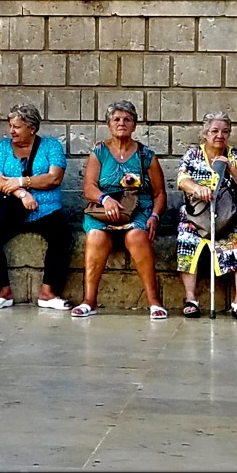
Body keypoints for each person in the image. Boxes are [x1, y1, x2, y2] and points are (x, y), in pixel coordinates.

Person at [71, 100, 168, 320]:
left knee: (136, 236)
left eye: (127, 120)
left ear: (134, 125)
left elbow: (159, 193)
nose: (122, 123)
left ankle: (154, 301)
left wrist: (155, 215)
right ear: (109, 124)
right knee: (95, 236)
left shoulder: (146, 156)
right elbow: (89, 187)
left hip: (138, 209)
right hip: (103, 210)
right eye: (116, 119)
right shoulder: (99, 152)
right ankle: (89, 300)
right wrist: (105, 199)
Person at [0, 103, 73, 310]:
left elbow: (54, 178)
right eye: (10, 126)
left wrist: (21, 182)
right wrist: (22, 194)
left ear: (32, 127)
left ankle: (48, 292)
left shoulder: (51, 146)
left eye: (17, 127)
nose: (11, 131)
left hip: (46, 209)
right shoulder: (2, 148)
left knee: (62, 236)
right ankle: (3, 290)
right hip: (11, 209)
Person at [176, 112, 237, 319]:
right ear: (205, 133)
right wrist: (197, 188)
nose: (219, 135)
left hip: (234, 217)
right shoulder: (193, 155)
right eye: (214, 131)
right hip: (199, 215)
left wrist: (232, 169)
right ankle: (191, 299)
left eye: (225, 131)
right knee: (186, 237)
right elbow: (182, 180)